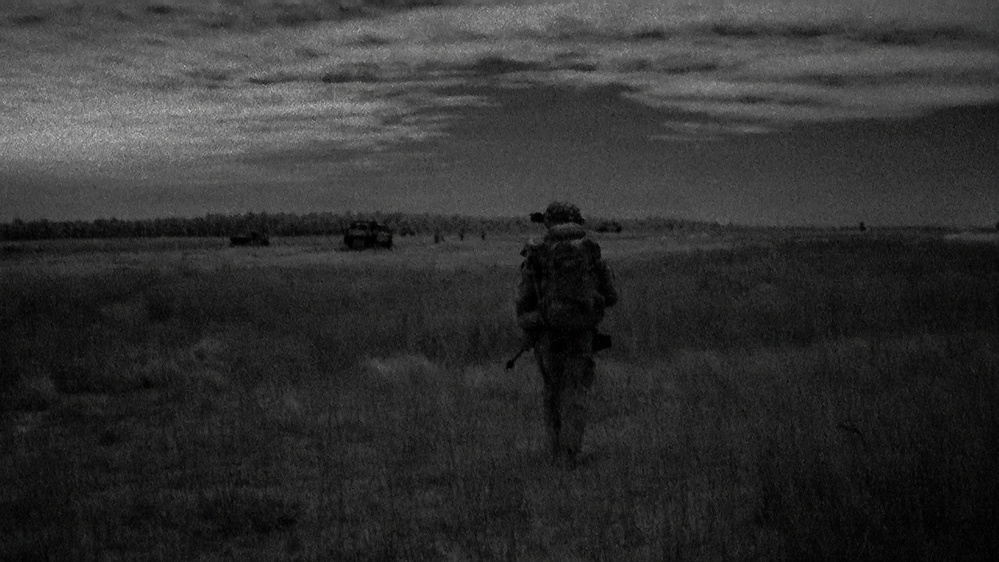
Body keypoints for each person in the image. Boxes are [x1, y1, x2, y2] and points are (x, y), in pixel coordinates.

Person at [515, 201, 618, 468]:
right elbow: (611, 295)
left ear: (548, 221)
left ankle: (554, 451)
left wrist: (532, 326)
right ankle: (570, 454)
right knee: (576, 391)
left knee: (552, 391)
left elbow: (523, 301)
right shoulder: (590, 250)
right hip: (582, 335)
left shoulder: (538, 252)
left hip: (547, 335)